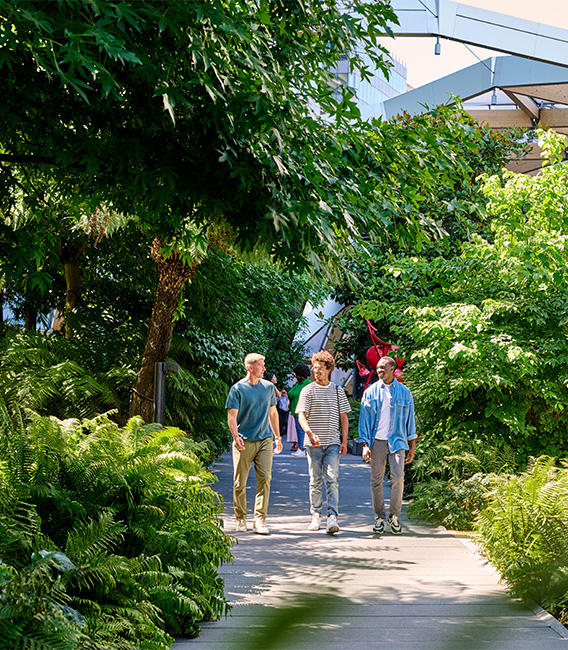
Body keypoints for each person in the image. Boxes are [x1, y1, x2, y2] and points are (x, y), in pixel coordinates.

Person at [357, 356, 417, 535]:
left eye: (383, 368)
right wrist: (365, 444)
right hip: (377, 441)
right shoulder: (370, 392)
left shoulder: (405, 393)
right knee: (376, 480)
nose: (379, 371)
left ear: (393, 369)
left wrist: (412, 446)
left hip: (398, 441)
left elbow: (410, 422)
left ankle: (394, 515)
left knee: (398, 477)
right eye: (377, 368)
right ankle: (379, 517)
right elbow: (364, 421)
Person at [226, 353, 283, 535]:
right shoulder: (237, 389)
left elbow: (273, 413)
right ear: (250, 367)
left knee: (265, 479)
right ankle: (241, 518)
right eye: (261, 365)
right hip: (244, 440)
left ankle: (260, 520)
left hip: (265, 439)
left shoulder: (268, 388)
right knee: (239, 483)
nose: (264, 369)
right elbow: (232, 417)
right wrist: (236, 436)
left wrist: (278, 437)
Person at [297, 351, 351, 534]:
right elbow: (301, 415)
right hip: (313, 443)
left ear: (328, 369)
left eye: (319, 368)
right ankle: (315, 515)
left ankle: (332, 517)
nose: (316, 371)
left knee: (332, 478)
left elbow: (344, 418)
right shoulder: (308, 390)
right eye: (314, 368)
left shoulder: (338, 391)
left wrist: (344, 441)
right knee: (315, 480)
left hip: (333, 442)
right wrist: (309, 432)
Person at [287, 363, 311, 457]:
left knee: (301, 430)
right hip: (296, 410)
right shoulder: (298, 383)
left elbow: (293, 394)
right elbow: (291, 393)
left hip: (303, 411)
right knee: (299, 429)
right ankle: (301, 447)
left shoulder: (308, 384)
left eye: (297, 374)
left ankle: (302, 448)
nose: (296, 376)